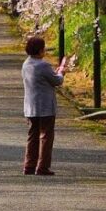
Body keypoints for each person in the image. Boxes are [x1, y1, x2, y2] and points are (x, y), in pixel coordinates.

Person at [21, 36, 66, 175]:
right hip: (45, 106)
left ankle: (29, 165)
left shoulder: (26, 64)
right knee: (46, 136)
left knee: (32, 136)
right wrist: (61, 72)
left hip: (30, 106)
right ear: (40, 50)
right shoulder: (43, 65)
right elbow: (57, 81)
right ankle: (42, 167)